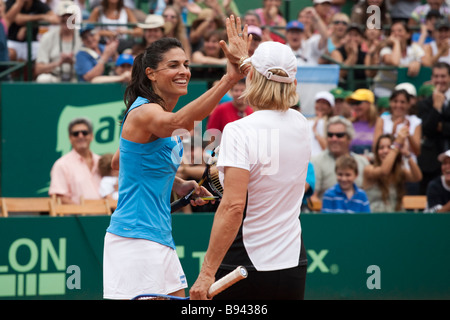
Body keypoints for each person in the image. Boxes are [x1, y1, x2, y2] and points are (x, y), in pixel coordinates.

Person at [103, 15, 250, 300]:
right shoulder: (146, 113)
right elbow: (178, 122)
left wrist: (178, 183)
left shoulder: (152, 115)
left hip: (158, 237)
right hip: (135, 240)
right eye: (173, 65)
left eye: (185, 64)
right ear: (151, 73)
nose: (183, 71)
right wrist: (229, 79)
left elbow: (118, 163)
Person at [189, 40, 311, 300]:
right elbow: (272, 80)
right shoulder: (302, 124)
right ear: (294, 84)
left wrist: (206, 272)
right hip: (292, 263)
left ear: (252, 77)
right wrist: (246, 61)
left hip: (244, 264)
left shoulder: (239, 130)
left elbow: (233, 207)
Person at [310, 115, 370, 201]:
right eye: (330, 135)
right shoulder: (316, 162)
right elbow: (312, 198)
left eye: (339, 135)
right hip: (326, 212)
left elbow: (369, 196)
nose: (334, 139)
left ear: (349, 138)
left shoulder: (363, 162)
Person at [363, 132, 423, 212]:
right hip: (375, 219)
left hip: (396, 218)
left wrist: (406, 153)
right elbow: (384, 171)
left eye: (389, 147)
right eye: (381, 148)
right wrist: (396, 145)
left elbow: (417, 177)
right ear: (377, 152)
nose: (385, 151)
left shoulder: (400, 172)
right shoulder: (369, 169)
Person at [49, 117, 102, 204]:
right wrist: (83, 211)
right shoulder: (62, 164)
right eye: (75, 134)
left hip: (107, 216)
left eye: (84, 133)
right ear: (70, 138)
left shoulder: (101, 161)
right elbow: (59, 198)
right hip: (77, 216)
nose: (80, 136)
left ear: (92, 136)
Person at [417, 61, 450, 195]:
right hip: (431, 163)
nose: (439, 80)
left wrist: (441, 127)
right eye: (436, 76)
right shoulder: (424, 104)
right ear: (431, 78)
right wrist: (436, 108)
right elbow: (426, 129)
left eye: (443, 76)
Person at [372, 21, 426, 99]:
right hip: (385, 90)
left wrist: (418, 62)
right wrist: (396, 43)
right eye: (393, 31)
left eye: (400, 31)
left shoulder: (414, 48)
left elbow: (428, 62)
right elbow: (395, 62)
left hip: (407, 91)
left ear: (408, 34)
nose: (396, 33)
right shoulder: (385, 50)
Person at [34, 0, 82, 83]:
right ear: (58, 17)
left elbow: (91, 67)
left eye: (69, 16)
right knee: (43, 79)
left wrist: (73, 62)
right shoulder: (48, 36)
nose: (67, 19)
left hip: (76, 77)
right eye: (63, 16)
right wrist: (58, 63)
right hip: (55, 77)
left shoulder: (82, 37)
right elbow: (38, 69)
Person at [331, 23, 368, 90]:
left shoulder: (365, 55)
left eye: (356, 35)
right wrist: (353, 54)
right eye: (350, 35)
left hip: (360, 90)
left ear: (361, 39)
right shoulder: (336, 52)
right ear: (344, 37)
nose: (352, 38)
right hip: (341, 89)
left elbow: (369, 74)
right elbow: (340, 74)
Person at [347, 88, 378, 156]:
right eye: (353, 103)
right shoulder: (349, 124)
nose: (355, 106)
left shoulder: (379, 124)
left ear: (369, 103)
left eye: (358, 103)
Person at [308, 90, 335, 157]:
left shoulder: (333, 123)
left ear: (330, 107)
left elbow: (326, 149)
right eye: (318, 102)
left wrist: (315, 130)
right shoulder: (308, 121)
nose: (320, 105)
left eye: (324, 103)